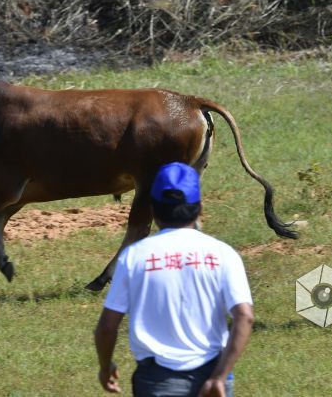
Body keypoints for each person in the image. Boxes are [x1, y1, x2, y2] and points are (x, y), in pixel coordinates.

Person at [94, 162, 254, 396]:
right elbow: (245, 317)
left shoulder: (135, 257)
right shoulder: (224, 254)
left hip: (157, 382)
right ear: (199, 208)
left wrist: (105, 367)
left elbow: (107, 327)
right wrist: (219, 378)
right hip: (213, 376)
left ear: (154, 209)